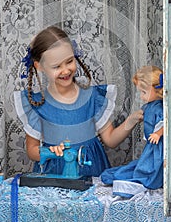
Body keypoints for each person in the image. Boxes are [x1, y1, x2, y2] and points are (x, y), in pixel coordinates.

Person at [14, 25, 143, 177]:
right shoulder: (37, 105)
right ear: (39, 66)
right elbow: (31, 150)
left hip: (92, 171)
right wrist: (49, 151)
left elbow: (111, 140)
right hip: (55, 173)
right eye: (56, 66)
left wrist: (132, 120)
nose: (66, 70)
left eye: (69, 61)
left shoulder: (93, 98)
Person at [101, 65, 164, 197]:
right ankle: (122, 177)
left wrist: (158, 133)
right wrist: (134, 118)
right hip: (151, 146)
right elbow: (142, 114)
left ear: (158, 90)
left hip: (157, 146)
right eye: (140, 92)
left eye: (144, 92)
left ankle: (142, 181)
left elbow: (166, 123)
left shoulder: (160, 109)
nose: (141, 96)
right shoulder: (148, 107)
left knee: (150, 168)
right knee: (141, 165)